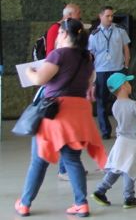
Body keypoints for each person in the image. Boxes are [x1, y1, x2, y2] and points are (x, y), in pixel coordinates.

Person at [15, 18, 107, 218]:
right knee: (73, 159)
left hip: (55, 114)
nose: (57, 36)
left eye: (58, 33)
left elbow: (39, 79)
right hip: (77, 114)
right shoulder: (86, 58)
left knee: (39, 160)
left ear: (64, 34)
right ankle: (81, 204)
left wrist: (30, 71)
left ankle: (24, 203)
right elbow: (88, 82)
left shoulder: (58, 54)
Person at [91, 72, 136, 209]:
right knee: (130, 169)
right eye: (127, 83)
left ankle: (100, 190)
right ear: (123, 86)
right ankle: (129, 197)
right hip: (132, 142)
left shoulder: (115, 105)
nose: (130, 85)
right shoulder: (133, 104)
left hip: (121, 141)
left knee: (117, 167)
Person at [44, 3, 82, 181]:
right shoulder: (55, 30)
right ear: (69, 16)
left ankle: (69, 168)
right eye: (78, 13)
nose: (80, 16)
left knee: (71, 132)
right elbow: (51, 56)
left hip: (69, 89)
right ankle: (65, 169)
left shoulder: (74, 34)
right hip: (59, 89)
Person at [88, 6, 131, 139]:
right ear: (100, 16)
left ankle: (125, 128)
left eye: (112, 16)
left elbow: (126, 49)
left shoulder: (120, 31)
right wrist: (91, 73)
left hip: (118, 69)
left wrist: (126, 66)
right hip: (101, 71)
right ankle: (105, 131)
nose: (110, 18)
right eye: (107, 16)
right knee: (101, 102)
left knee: (123, 100)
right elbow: (90, 55)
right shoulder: (94, 34)